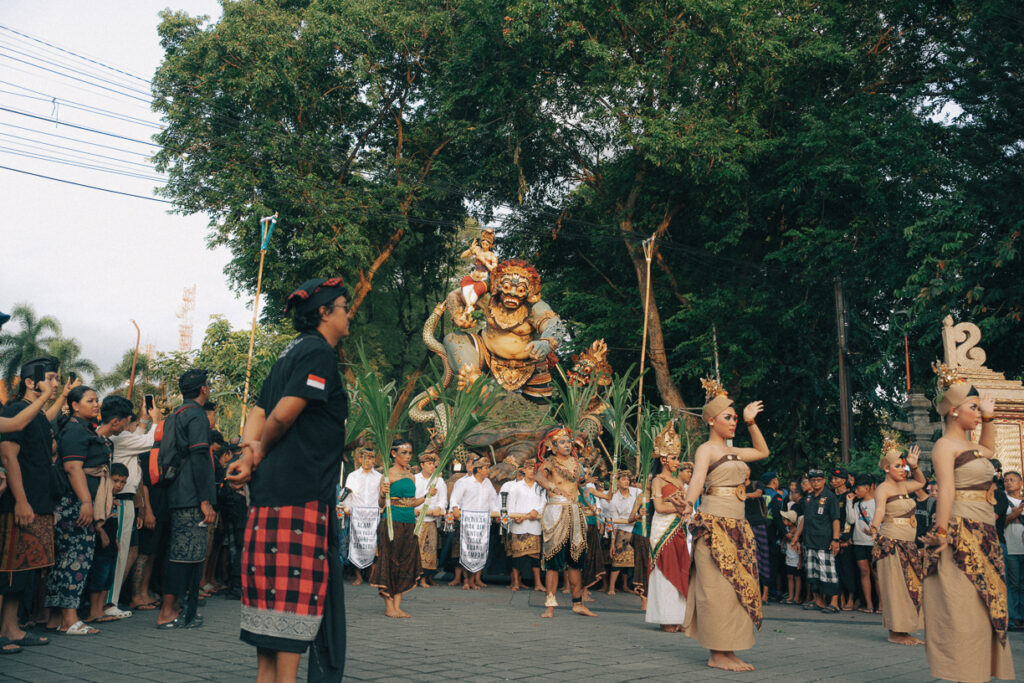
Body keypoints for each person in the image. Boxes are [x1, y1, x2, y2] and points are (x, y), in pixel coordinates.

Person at [226, 276, 351, 683]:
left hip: (268, 496)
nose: (349, 315)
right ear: (324, 313)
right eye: (344, 307)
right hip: (301, 496)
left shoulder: (288, 353)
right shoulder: (318, 353)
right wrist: (259, 450)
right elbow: (280, 415)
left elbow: (258, 410)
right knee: (294, 604)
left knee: (268, 606)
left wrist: (248, 454)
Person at [922, 368, 1014, 681]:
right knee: (962, 611)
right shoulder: (943, 447)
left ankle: (978, 671)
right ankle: (961, 672)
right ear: (953, 410)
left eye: (978, 407)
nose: (977, 412)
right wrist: (943, 533)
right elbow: (946, 490)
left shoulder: (971, 448)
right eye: (973, 407)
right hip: (961, 532)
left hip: (986, 530)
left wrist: (988, 417)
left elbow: (989, 450)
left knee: (985, 607)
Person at [682, 379, 769, 672]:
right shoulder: (706, 450)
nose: (733, 422)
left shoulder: (736, 451)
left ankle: (728, 650)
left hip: (739, 526)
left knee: (737, 589)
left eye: (734, 418)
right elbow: (696, 481)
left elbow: (763, 452)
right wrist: (687, 504)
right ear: (711, 420)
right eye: (728, 417)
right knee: (717, 589)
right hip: (714, 524)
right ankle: (716, 654)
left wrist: (751, 422)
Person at [44, 384, 119, 635]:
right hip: (75, 503)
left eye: (97, 400)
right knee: (75, 560)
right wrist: (86, 502)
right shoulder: (75, 431)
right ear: (75, 405)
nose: (96, 404)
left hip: (78, 501)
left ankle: (56, 618)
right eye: (90, 400)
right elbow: (73, 469)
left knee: (65, 560)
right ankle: (69, 620)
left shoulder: (85, 429)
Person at [0, 357, 59, 651]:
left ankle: (12, 628)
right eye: (50, 378)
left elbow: (42, 419)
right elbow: (10, 457)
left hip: (38, 500)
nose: (55, 383)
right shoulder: (14, 409)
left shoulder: (34, 414)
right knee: (9, 571)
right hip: (20, 503)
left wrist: (56, 396)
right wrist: (21, 500)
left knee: (23, 572)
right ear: (29, 382)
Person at [156, 369, 216, 630]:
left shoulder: (174, 416)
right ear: (203, 389)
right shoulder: (197, 416)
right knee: (186, 554)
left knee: (182, 552)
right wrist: (205, 499)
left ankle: (179, 609)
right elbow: (200, 458)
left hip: (175, 492)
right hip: (192, 494)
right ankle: (167, 612)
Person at [867, 438, 925, 646]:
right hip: (891, 542)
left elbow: (922, 482)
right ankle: (896, 633)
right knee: (896, 588)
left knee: (912, 586)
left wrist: (915, 465)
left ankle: (906, 630)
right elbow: (880, 510)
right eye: (898, 466)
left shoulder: (905, 486)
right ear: (885, 468)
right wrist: (874, 528)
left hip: (908, 542)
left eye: (904, 466)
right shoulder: (883, 489)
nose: (903, 469)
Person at [535, 426, 596, 618]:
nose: (567, 445)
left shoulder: (576, 464)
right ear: (553, 447)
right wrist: (553, 486)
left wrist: (593, 505)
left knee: (576, 560)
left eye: (568, 441)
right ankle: (550, 605)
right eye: (562, 442)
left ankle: (577, 603)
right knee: (554, 560)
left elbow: (580, 487)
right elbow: (539, 478)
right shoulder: (549, 463)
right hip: (556, 512)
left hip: (575, 512)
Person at [370, 440, 425, 617]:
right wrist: (381, 493)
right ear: (394, 454)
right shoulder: (388, 474)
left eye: (410, 453)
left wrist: (426, 497)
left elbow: (411, 502)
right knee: (389, 559)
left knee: (405, 560)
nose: (408, 456)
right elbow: (381, 503)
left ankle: (398, 606)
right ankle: (389, 606)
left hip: (409, 522)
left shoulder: (411, 476)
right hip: (391, 522)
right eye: (404, 453)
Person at [645, 420, 690, 632]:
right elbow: (659, 508)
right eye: (673, 458)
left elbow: (684, 505)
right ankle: (665, 619)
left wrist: (683, 508)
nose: (677, 462)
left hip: (678, 529)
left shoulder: (679, 482)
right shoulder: (658, 481)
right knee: (664, 572)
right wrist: (678, 507)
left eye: (677, 458)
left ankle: (678, 618)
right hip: (662, 529)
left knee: (680, 569)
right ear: (663, 459)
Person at [84, 463, 129, 623]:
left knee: (107, 578)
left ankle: (100, 608)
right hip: (101, 545)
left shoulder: (114, 500)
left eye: (123, 482)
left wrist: (115, 539)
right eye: (116, 480)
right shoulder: (101, 497)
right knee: (99, 576)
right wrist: (101, 532)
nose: (119, 485)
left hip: (110, 545)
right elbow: (98, 519)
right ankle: (93, 611)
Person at [448, 455, 499, 590]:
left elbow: (493, 502)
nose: (488, 470)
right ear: (478, 469)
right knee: (465, 550)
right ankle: (465, 580)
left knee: (478, 550)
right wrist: (455, 509)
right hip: (466, 521)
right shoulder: (464, 483)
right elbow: (454, 499)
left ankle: (473, 580)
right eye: (486, 468)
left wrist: (497, 514)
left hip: (482, 523)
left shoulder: (488, 484)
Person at [795, 469, 841, 613]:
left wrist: (835, 540)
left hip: (825, 541)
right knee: (812, 573)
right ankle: (818, 601)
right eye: (813, 480)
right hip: (809, 541)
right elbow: (804, 519)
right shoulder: (808, 498)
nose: (815, 482)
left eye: (818, 480)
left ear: (824, 481)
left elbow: (836, 520)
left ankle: (834, 603)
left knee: (828, 573)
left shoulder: (830, 497)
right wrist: (796, 536)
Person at [343, 443, 382, 584]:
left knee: (372, 545)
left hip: (373, 516)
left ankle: (371, 575)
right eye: (364, 458)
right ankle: (358, 576)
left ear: (374, 460)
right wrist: (347, 508)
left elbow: (381, 496)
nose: (368, 461)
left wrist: (381, 507)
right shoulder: (352, 476)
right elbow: (348, 495)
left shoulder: (379, 477)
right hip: (357, 515)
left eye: (371, 458)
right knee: (356, 544)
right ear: (360, 459)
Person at [506, 460, 545, 592]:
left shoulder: (540, 487)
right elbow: (510, 504)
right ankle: (516, 582)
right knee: (517, 557)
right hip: (519, 525)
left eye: (534, 468)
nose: (532, 471)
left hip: (534, 525)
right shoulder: (516, 487)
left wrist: (536, 510)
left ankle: (538, 583)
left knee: (535, 557)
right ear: (524, 470)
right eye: (529, 468)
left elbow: (544, 503)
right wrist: (514, 516)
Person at [413, 450, 447, 588]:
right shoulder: (414, 478)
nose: (432, 466)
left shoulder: (439, 480)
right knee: (416, 549)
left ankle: (426, 578)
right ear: (422, 465)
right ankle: (415, 577)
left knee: (430, 549)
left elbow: (443, 499)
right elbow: (410, 498)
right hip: (416, 520)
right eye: (428, 463)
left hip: (431, 520)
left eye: (433, 464)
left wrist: (439, 508)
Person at [604, 470, 638, 595]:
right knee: (618, 558)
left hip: (636, 528)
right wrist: (612, 542)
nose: (626, 481)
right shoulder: (614, 501)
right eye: (623, 479)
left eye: (628, 479)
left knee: (630, 560)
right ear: (617, 483)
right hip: (622, 530)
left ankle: (625, 585)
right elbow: (613, 523)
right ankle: (612, 586)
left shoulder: (635, 492)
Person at [848, 473, 877, 613]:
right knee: (864, 572)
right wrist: (849, 502)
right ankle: (869, 604)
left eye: (858, 489)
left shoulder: (877, 502)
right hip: (859, 542)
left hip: (873, 543)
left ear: (867, 487)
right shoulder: (857, 504)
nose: (856, 492)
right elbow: (852, 520)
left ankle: (882, 605)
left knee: (876, 574)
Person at [1003, 471, 1024, 631]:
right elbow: (998, 523)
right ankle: (1015, 617)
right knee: (1014, 583)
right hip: (1010, 546)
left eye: (1012, 480)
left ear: (1020, 483)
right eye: (1006, 480)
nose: (1009, 483)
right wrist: (1014, 514)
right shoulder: (1003, 501)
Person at [780, 510, 802, 604]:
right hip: (789, 556)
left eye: (785, 519)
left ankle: (797, 597)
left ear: (791, 521)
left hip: (796, 557)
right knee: (789, 576)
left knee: (797, 577)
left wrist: (801, 561)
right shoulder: (787, 531)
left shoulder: (797, 532)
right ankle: (791, 596)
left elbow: (800, 547)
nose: (783, 520)